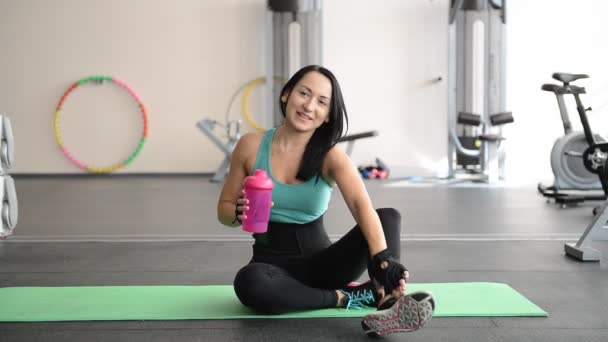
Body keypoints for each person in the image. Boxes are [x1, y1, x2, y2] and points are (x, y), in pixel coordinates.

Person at [216, 65, 434, 336]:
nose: (309, 106)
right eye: (303, 94)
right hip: (271, 268)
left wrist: (385, 261)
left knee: (387, 215)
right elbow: (223, 211)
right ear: (286, 95)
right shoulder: (250, 145)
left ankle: (387, 301)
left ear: (328, 115)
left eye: (321, 102)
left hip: (324, 266)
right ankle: (345, 298)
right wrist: (236, 212)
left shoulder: (332, 157)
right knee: (248, 283)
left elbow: (360, 206)